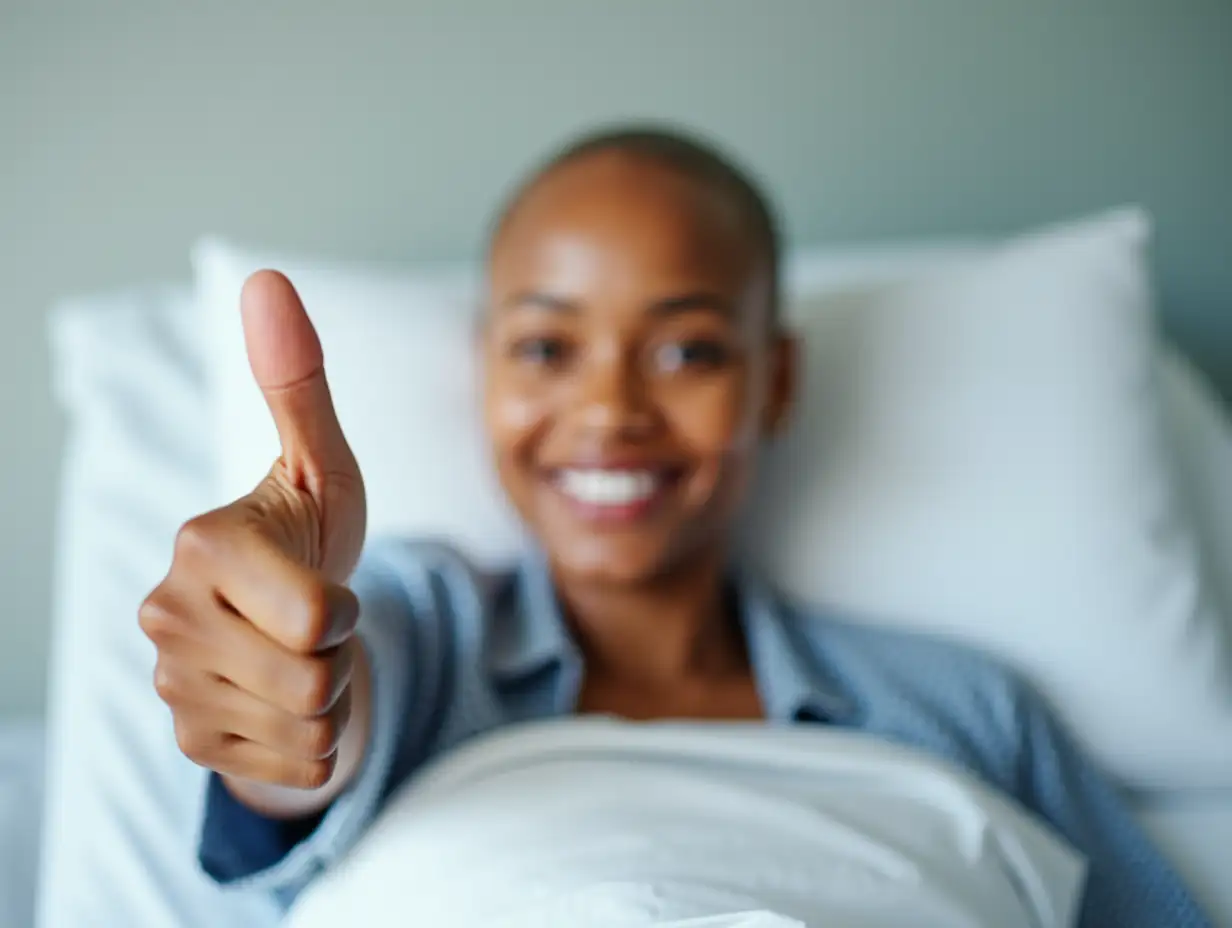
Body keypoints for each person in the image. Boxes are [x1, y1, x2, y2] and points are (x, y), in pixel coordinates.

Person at [140, 126, 1210, 926]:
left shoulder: (964, 709)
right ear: (483, 374)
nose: (609, 412)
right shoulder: (423, 633)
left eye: (687, 350)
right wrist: (269, 678)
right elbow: (309, 733)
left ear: (773, 380)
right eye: (547, 350)